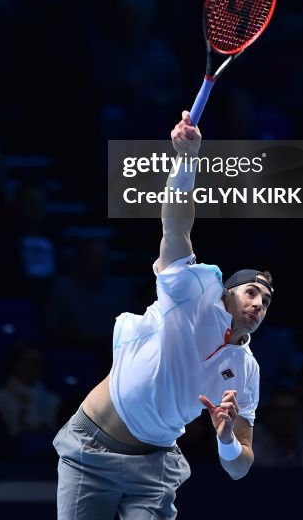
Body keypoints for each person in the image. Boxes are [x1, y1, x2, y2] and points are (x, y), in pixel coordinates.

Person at [53, 110, 273, 518]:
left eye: (266, 301)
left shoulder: (246, 370)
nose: (259, 303)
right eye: (251, 291)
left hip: (154, 467)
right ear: (227, 293)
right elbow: (175, 227)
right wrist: (187, 159)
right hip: (91, 451)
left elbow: (240, 465)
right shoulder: (191, 293)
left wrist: (225, 438)